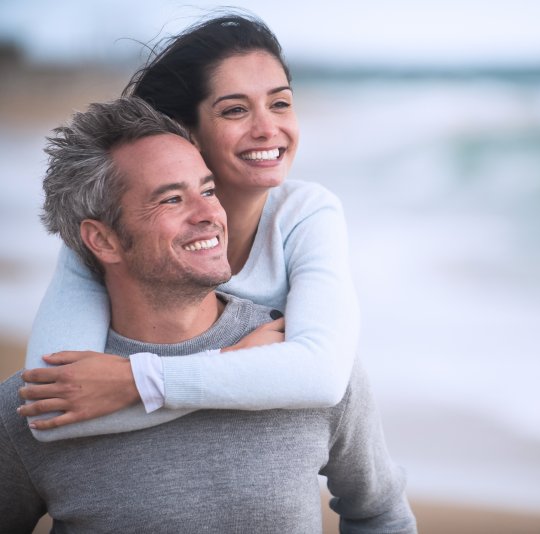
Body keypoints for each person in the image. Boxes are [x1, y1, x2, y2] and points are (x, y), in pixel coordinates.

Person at [0, 96, 416, 533]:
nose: (210, 215)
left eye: (208, 189)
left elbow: (380, 514)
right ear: (102, 241)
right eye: (172, 200)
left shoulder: (303, 360)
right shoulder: (43, 400)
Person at [20, 12, 362, 440]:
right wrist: (238, 360)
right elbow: (50, 411)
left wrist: (136, 382)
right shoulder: (115, 231)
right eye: (235, 110)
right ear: (186, 132)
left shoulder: (306, 214)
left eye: (280, 103)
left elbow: (323, 375)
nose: (267, 128)